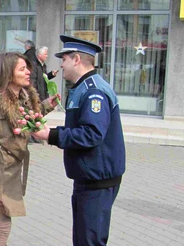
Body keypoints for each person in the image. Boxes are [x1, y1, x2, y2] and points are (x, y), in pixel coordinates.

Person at [32, 35, 126, 246]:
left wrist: (51, 135)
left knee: (89, 241)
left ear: (76, 59)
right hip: (89, 178)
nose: (61, 65)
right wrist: (53, 132)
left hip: (97, 181)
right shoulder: (83, 87)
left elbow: (91, 134)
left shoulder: (93, 91)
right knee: (84, 239)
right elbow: (80, 129)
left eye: (63, 59)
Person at [0, 52, 60, 246]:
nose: (28, 72)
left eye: (27, 68)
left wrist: (47, 106)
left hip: (8, 171)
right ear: (8, 73)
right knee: (2, 224)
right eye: (22, 69)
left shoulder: (23, 97)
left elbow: (27, 117)